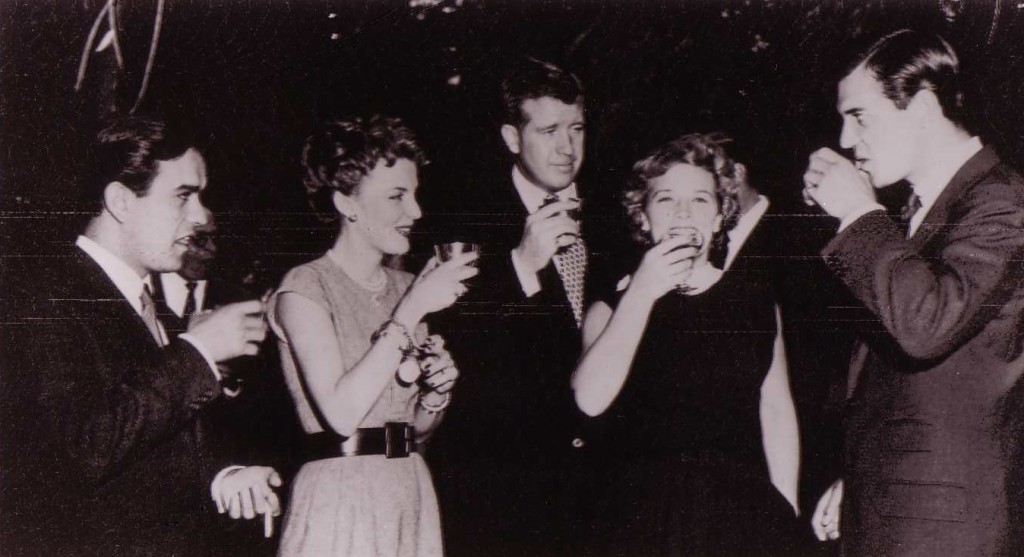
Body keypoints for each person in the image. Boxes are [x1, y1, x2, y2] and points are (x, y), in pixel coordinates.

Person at [0, 116, 275, 556]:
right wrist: (198, 351)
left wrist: (221, 477)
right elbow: (82, 449)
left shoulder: (150, 305)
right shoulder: (46, 297)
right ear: (121, 202)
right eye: (183, 196)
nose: (201, 217)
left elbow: (147, 442)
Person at [803, 30, 1024, 557]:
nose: (847, 139)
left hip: (945, 528)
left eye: (859, 116)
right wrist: (862, 476)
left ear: (922, 107)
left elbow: (926, 326)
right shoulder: (922, 213)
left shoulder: (1003, 202)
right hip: (900, 509)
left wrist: (858, 213)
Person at [572, 134, 803, 557]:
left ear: (718, 216)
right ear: (643, 217)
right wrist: (643, 289)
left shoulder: (754, 303)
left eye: (699, 199)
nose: (683, 212)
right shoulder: (612, 305)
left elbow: (775, 408)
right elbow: (589, 400)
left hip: (738, 517)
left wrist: (785, 510)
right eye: (665, 200)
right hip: (641, 520)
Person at [268, 115, 476, 557]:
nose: (416, 212)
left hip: (409, 488)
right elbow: (343, 415)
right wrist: (413, 309)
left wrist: (435, 395)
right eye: (397, 196)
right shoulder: (304, 287)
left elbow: (412, 430)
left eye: (415, 194)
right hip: (340, 498)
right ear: (347, 202)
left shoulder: (405, 287)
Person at [426, 57, 597, 557]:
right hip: (502, 500)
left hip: (602, 495)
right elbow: (449, 348)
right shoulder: (462, 217)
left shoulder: (617, 214)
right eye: (548, 131)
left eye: (576, 129)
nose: (567, 147)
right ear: (511, 137)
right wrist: (521, 265)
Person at [153, 212, 303, 556]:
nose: (208, 249)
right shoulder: (144, 301)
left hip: (235, 495)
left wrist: (229, 381)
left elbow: (276, 408)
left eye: (214, 238)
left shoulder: (244, 303)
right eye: (197, 238)